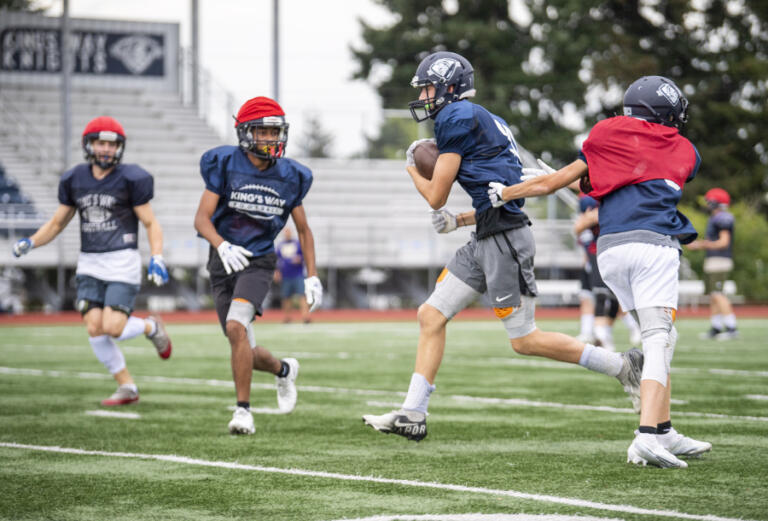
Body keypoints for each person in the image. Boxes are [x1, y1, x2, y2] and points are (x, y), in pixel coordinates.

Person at [362, 51, 643, 444]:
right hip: (487, 236)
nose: (424, 96)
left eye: (427, 86)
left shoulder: (455, 117)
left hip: (505, 240)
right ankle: (413, 412)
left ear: (447, 87)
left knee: (523, 339)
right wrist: (460, 220)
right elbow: (497, 195)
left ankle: (623, 365)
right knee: (431, 315)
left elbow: (436, 195)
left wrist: (411, 166)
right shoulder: (485, 119)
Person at [488, 75, 712, 468]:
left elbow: (572, 185)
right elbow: (655, 179)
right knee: (659, 339)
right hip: (653, 246)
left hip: (609, 251)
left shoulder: (606, 132)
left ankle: (663, 429)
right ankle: (647, 436)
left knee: (661, 336)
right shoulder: (684, 150)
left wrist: (510, 191)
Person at [12, 116, 172, 406]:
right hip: (89, 262)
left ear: (119, 147)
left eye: (112, 144)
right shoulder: (75, 179)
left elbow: (150, 222)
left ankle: (150, 326)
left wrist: (157, 256)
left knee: (113, 327)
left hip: (121, 260)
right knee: (94, 326)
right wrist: (32, 241)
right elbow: (58, 222)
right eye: (101, 142)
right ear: (89, 144)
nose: (107, 149)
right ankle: (127, 386)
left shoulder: (131, 178)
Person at [193, 96, 323, 435]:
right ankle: (283, 370)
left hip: (258, 261)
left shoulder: (290, 175)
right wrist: (221, 245)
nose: (271, 139)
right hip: (223, 260)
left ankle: (243, 412)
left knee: (236, 326)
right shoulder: (224, 164)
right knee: (244, 347)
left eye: (275, 132)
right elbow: (202, 219)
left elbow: (305, 230)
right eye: (263, 132)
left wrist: (312, 276)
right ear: (246, 133)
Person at [573, 195, 641, 350]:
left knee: (616, 296)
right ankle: (602, 336)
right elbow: (579, 227)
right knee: (601, 296)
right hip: (597, 252)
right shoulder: (590, 199)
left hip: (616, 251)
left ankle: (626, 328)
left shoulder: (619, 197)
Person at [686, 188, 738, 340]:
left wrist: (700, 244)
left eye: (709, 201)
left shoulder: (723, 218)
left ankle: (731, 327)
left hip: (719, 260)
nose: (707, 204)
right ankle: (716, 327)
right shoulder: (717, 217)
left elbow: (723, 242)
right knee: (713, 295)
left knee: (718, 294)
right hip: (714, 260)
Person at [275, 227, 310, 323]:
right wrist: (277, 272)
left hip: (298, 274)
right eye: (286, 232)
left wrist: (300, 259)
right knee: (286, 297)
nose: (287, 234)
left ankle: (305, 317)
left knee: (302, 296)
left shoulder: (297, 244)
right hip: (285, 275)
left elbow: (305, 255)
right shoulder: (280, 245)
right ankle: (287, 317)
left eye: (288, 232)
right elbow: (276, 260)